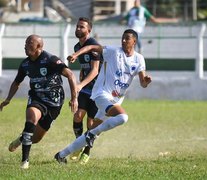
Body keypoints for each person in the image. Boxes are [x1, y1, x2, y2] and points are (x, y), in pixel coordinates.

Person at [54, 29, 152, 164]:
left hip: (116, 100)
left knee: (93, 129)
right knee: (123, 117)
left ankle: (61, 155)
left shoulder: (139, 59)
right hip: (102, 94)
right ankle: (91, 135)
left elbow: (142, 82)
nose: (123, 41)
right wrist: (76, 54)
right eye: (122, 38)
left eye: (127, 39)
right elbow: (91, 47)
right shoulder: (113, 52)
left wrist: (145, 82)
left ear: (134, 41)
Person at [0, 34, 78, 169]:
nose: (25, 46)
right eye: (25, 43)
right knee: (31, 119)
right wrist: (8, 99)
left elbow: (70, 75)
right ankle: (25, 162)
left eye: (29, 43)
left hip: (54, 102)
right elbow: (17, 82)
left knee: (36, 138)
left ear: (39, 47)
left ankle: (21, 139)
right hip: (36, 98)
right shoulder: (25, 64)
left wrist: (74, 98)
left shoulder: (50, 60)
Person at [67, 17, 102, 164]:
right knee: (77, 116)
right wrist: (81, 81)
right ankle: (79, 144)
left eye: (82, 27)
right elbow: (85, 67)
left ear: (89, 30)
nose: (78, 29)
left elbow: (94, 71)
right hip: (86, 88)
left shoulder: (94, 45)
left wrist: (80, 85)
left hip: (98, 89)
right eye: (77, 26)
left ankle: (87, 152)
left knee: (91, 124)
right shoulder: (77, 47)